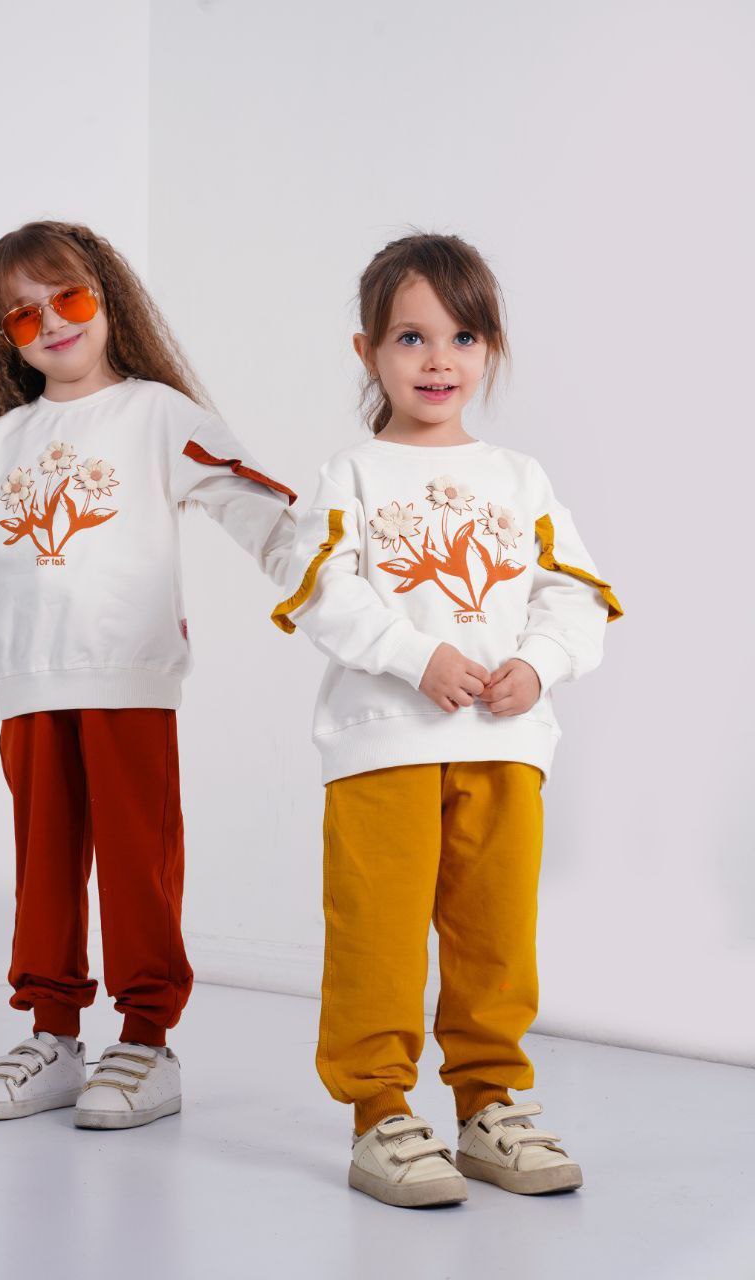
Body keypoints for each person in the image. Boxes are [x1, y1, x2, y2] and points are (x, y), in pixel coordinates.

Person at [0, 220, 296, 1130]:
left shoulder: (159, 415)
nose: (52, 323)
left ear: (107, 296)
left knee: (136, 867)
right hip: (29, 688)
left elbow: (251, 505)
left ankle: (147, 1041)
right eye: (23, 314)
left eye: (69, 297)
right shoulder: (0, 442)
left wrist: (325, 580)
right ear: (2, 337)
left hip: (129, 683)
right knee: (43, 870)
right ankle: (53, 1034)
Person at [271, 231, 623, 1206]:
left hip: (506, 750)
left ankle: (488, 1105)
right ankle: (379, 1111)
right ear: (367, 351)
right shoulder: (351, 474)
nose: (438, 359)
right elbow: (317, 588)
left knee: (494, 938)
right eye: (411, 337)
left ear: (489, 349)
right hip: (381, 747)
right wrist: (412, 654)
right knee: (377, 936)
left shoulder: (519, 476)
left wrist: (537, 666)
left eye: (463, 337)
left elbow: (575, 592)